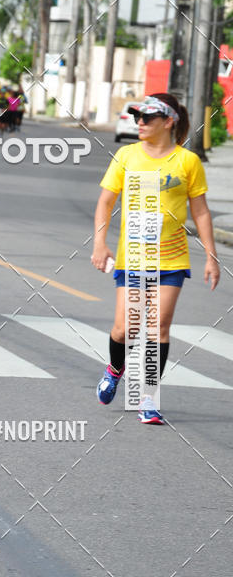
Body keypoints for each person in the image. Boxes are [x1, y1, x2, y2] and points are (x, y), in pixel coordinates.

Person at [91, 93, 220, 425]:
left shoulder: (187, 161)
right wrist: (100, 243)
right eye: (137, 117)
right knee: (125, 329)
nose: (140, 123)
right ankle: (116, 369)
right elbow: (106, 202)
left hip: (172, 259)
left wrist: (211, 256)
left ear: (168, 121)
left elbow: (201, 211)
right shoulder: (126, 156)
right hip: (133, 258)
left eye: (147, 118)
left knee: (159, 327)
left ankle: (148, 397)